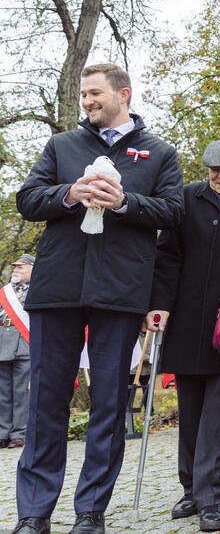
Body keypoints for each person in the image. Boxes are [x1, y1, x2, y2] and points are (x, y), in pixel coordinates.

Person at [13, 63, 183, 534]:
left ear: (122, 94)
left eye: (93, 93)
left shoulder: (159, 153)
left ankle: (90, 512)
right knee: (47, 401)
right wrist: (69, 193)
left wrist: (124, 202)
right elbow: (27, 199)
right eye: (83, 95)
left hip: (120, 292)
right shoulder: (61, 146)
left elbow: (173, 213)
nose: (86, 101)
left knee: (109, 403)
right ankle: (33, 513)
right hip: (58, 289)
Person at [147, 138, 220, 531]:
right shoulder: (187, 199)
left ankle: (214, 498)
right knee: (191, 412)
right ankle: (192, 489)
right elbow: (167, 255)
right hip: (187, 323)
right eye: (214, 170)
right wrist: (158, 305)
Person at [0, 254, 34, 450]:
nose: (16, 270)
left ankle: (19, 433)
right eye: (15, 267)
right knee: (3, 393)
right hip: (3, 343)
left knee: (22, 392)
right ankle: (3, 433)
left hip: (24, 345)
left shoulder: (38, 290)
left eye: (21, 267)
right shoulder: (5, 292)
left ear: (32, 270)